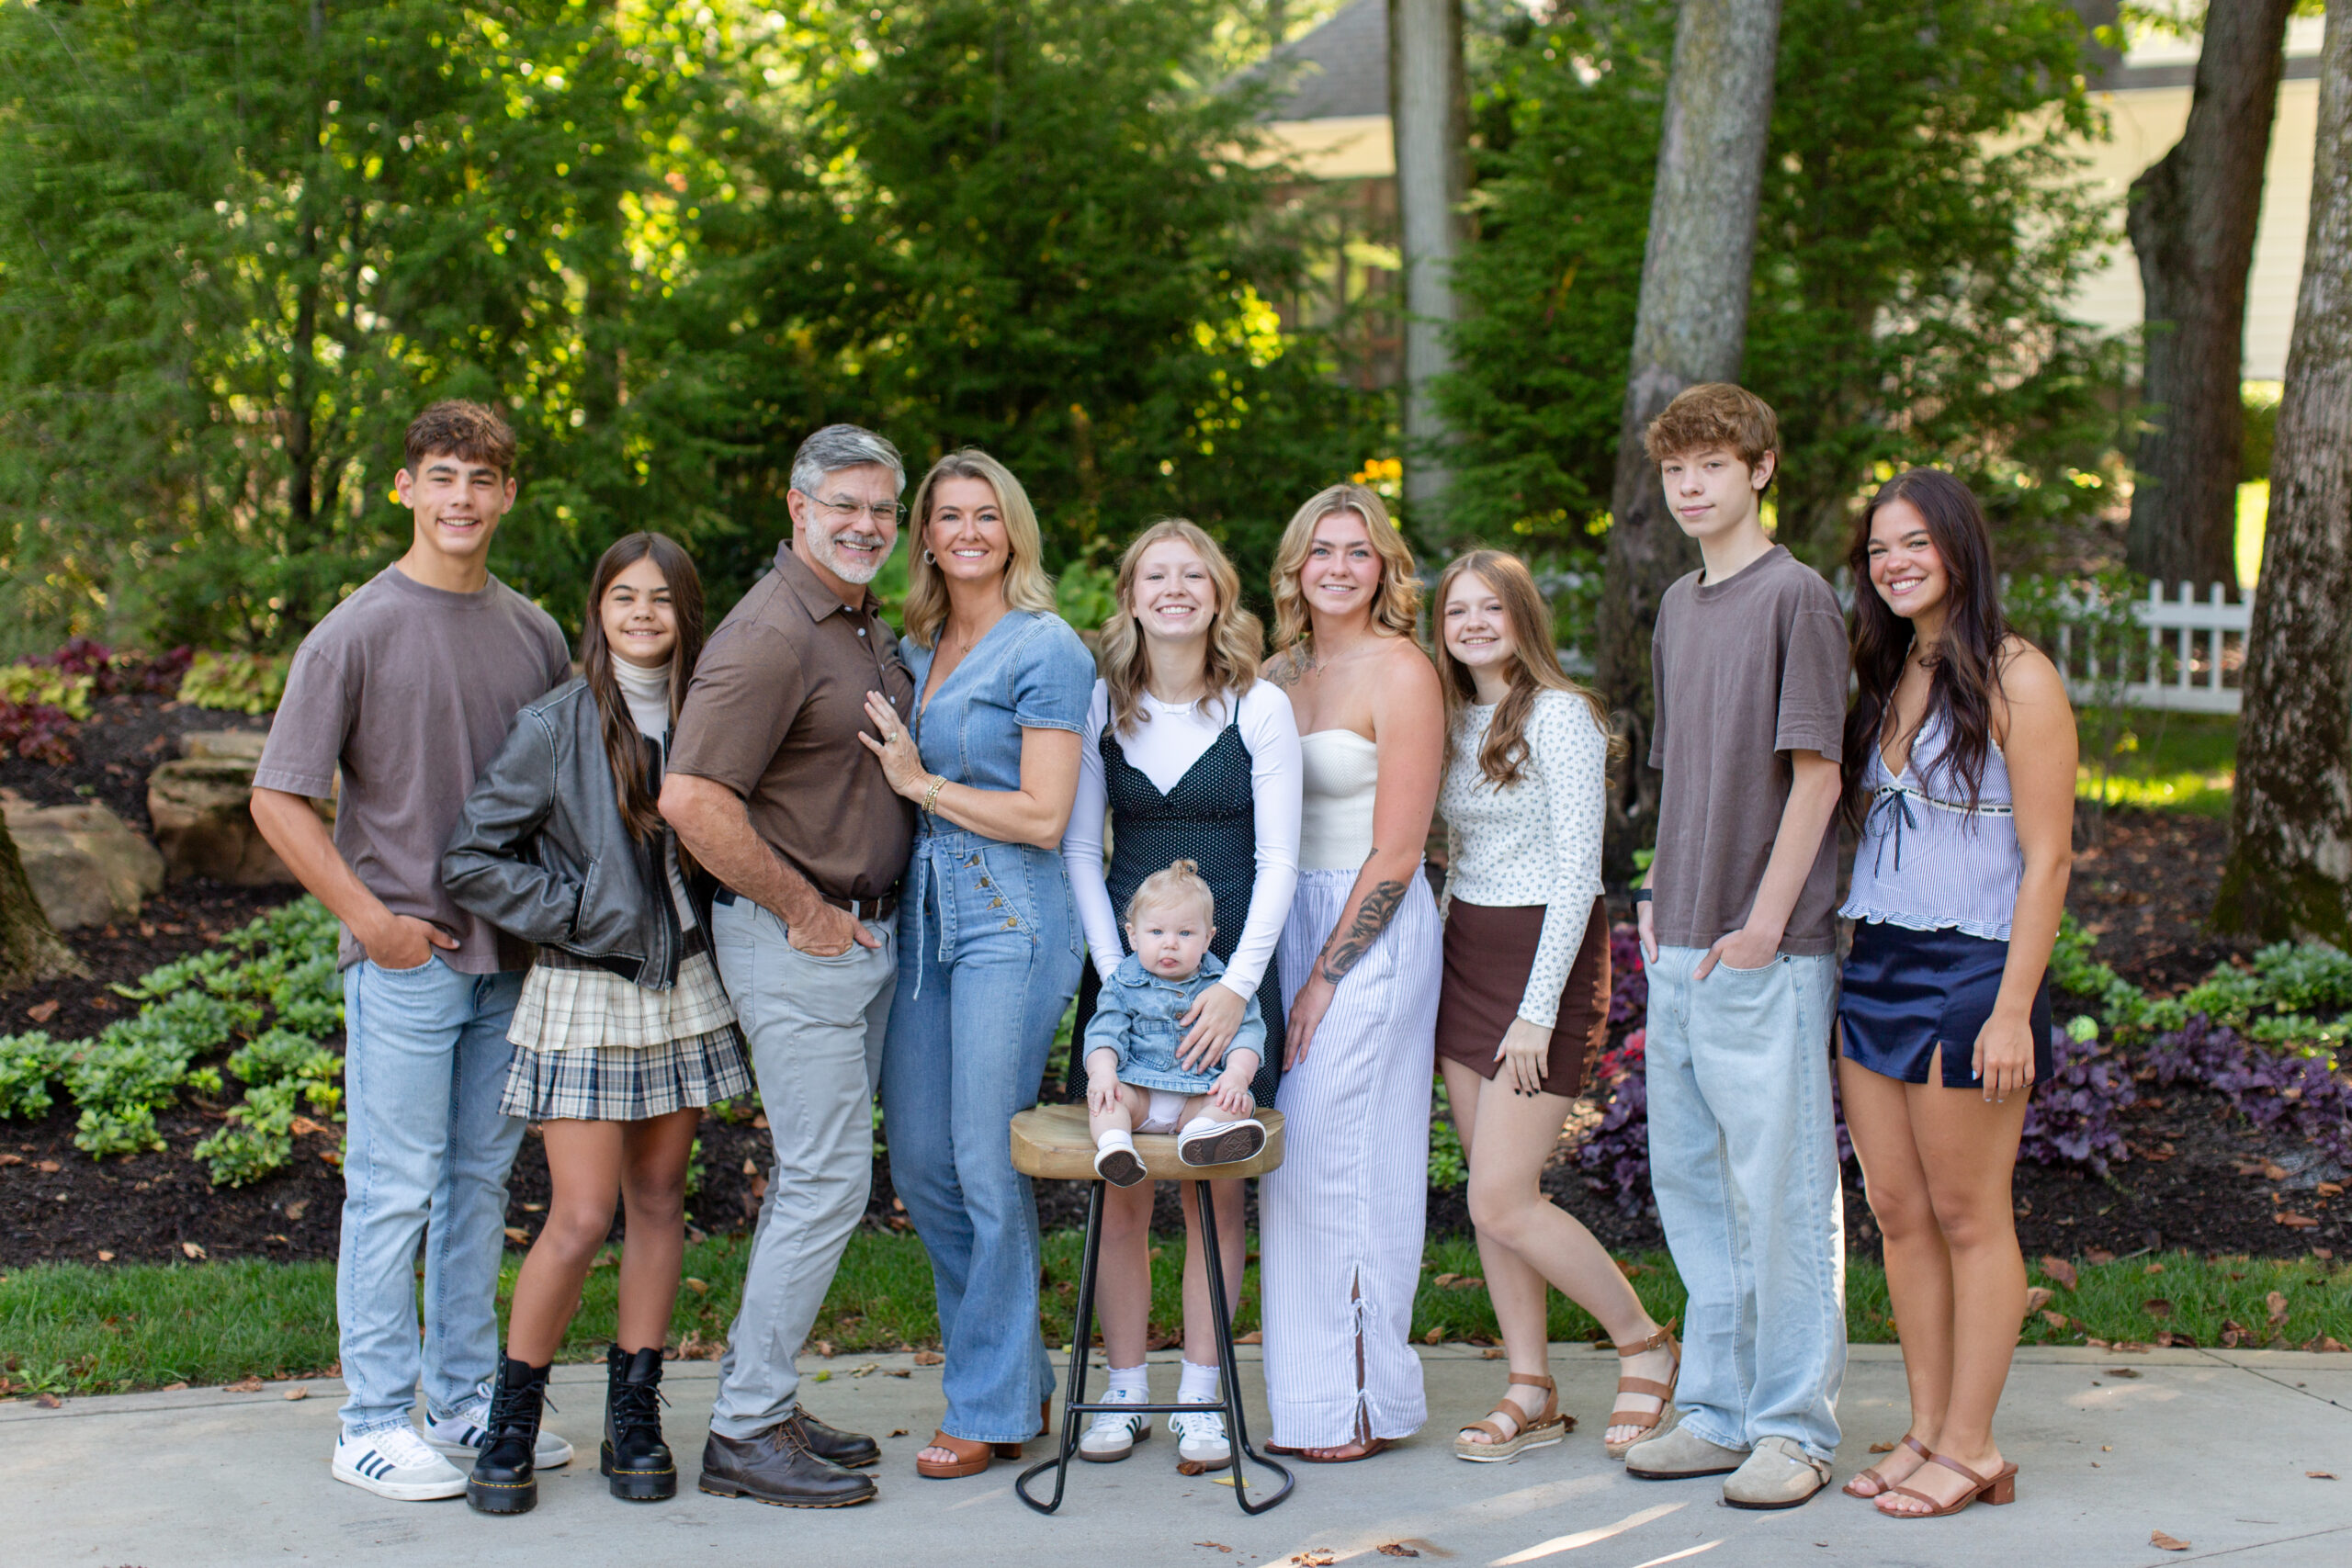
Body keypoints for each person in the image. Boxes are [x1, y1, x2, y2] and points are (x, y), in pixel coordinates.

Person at [249, 400, 575, 1502]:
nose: (461, 499)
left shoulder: (534, 634)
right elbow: (278, 799)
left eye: (481, 480)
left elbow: (559, 796)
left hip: (512, 961)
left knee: (478, 1184)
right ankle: (373, 1422)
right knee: (393, 1190)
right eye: (441, 476)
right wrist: (375, 925)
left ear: (508, 496)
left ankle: (464, 1398)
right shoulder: (355, 631)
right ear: (405, 489)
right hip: (407, 962)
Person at [441, 533, 752, 1514]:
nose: (643, 614)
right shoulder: (556, 723)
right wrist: (578, 910)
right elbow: (472, 858)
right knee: (579, 1216)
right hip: (585, 988)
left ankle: (634, 1416)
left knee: (659, 1201)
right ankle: (512, 1420)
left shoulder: (710, 716)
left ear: (685, 612)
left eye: (661, 598)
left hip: (682, 986)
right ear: (599, 610)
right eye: (624, 597)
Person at [659, 423, 916, 1509]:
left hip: (857, 941)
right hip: (798, 943)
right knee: (825, 1180)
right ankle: (744, 1432)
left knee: (820, 1180)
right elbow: (689, 798)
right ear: (797, 507)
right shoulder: (769, 633)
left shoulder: (854, 619)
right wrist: (804, 909)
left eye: (882, 508)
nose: (866, 525)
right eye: (843, 504)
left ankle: (761, 1396)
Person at [1623, 384, 1849, 1510]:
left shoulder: (1797, 599)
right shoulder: (1678, 604)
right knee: (1697, 1190)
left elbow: (1818, 776)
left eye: (1712, 465)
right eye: (1675, 470)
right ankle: (1715, 1412)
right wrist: (1655, 894)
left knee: (1783, 1196)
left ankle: (1794, 1429)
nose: (1691, 486)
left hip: (1769, 948)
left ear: (1760, 469)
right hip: (1680, 938)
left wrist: (1762, 924)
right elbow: (1681, 774)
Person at [1831, 470, 2072, 1519]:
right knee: (1896, 1211)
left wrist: (2014, 1008)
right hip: (1877, 961)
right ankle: (1927, 1427)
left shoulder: (2019, 675)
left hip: (1972, 975)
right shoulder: (1892, 669)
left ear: (1960, 549)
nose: (1894, 563)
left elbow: (2049, 858)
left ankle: (1974, 1447)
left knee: (1970, 1215)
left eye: (1915, 542)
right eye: (1879, 548)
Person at [864, 449, 1095, 1480]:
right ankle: (1011, 1373)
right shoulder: (913, 649)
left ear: (1013, 532)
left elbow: (1045, 816)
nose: (967, 532)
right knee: (921, 1159)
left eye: (986, 515)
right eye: (948, 515)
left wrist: (919, 785)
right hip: (925, 918)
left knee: (983, 1160)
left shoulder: (1046, 648)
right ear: (924, 534)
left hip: (1013, 914)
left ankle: (990, 1400)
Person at [1057, 517, 1301, 1474]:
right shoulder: (1100, 703)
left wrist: (1235, 988)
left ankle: (1201, 1394)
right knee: (1121, 1188)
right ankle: (1124, 1391)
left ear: (1219, 593)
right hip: (1127, 979)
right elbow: (1083, 851)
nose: (1174, 589)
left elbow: (1280, 859)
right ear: (1129, 594)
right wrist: (1116, 972)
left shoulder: (1258, 707)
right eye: (1155, 574)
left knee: (1213, 1189)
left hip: (1226, 984)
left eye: (1192, 574)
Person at [1429, 549, 1679, 1464]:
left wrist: (1537, 1010)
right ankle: (1529, 1387)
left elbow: (1581, 873)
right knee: (1492, 1199)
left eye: (1491, 607)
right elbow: (1459, 855)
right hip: (1467, 954)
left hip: (1547, 961)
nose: (1473, 623)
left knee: (1501, 1193)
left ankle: (1645, 1346)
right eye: (1457, 610)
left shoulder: (1563, 715)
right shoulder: (1451, 718)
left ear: (1523, 617)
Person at [1257, 482, 1445, 1463]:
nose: (1338, 567)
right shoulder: (1273, 672)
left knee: (1339, 1159)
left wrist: (1328, 973)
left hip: (1369, 928)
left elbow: (1400, 849)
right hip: (1282, 918)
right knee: (1291, 1160)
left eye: (1357, 551)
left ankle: (1361, 1400)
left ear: (1383, 569)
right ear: (1295, 566)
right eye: (1321, 549)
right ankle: (1313, 1398)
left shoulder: (1403, 671)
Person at [1081, 861, 1269, 1184]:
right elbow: (1104, 1034)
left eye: (1185, 933)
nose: (1170, 943)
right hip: (1139, 1093)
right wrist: (1102, 1072)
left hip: (1198, 1096)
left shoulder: (1223, 987)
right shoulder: (1123, 984)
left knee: (1239, 1102)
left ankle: (1200, 1134)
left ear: (1208, 939)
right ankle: (1115, 1147)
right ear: (1133, 936)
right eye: (1156, 932)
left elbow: (1247, 1034)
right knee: (1107, 1100)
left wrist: (1237, 1075)